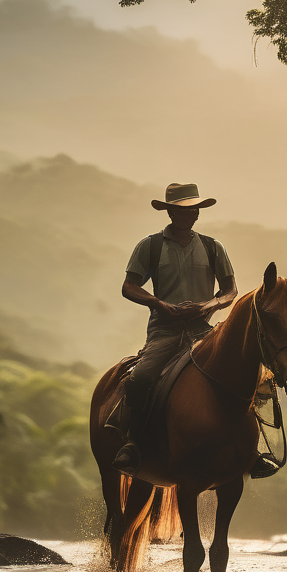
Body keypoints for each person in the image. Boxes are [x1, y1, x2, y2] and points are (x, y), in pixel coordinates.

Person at [110, 182, 237, 475]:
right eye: (185, 209)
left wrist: (207, 307)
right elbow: (129, 286)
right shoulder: (150, 245)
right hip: (164, 329)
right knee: (140, 378)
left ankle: (249, 445)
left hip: (202, 329)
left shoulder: (212, 247)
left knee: (246, 374)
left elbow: (230, 290)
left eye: (195, 208)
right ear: (170, 212)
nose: (192, 214)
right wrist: (160, 304)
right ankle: (133, 442)